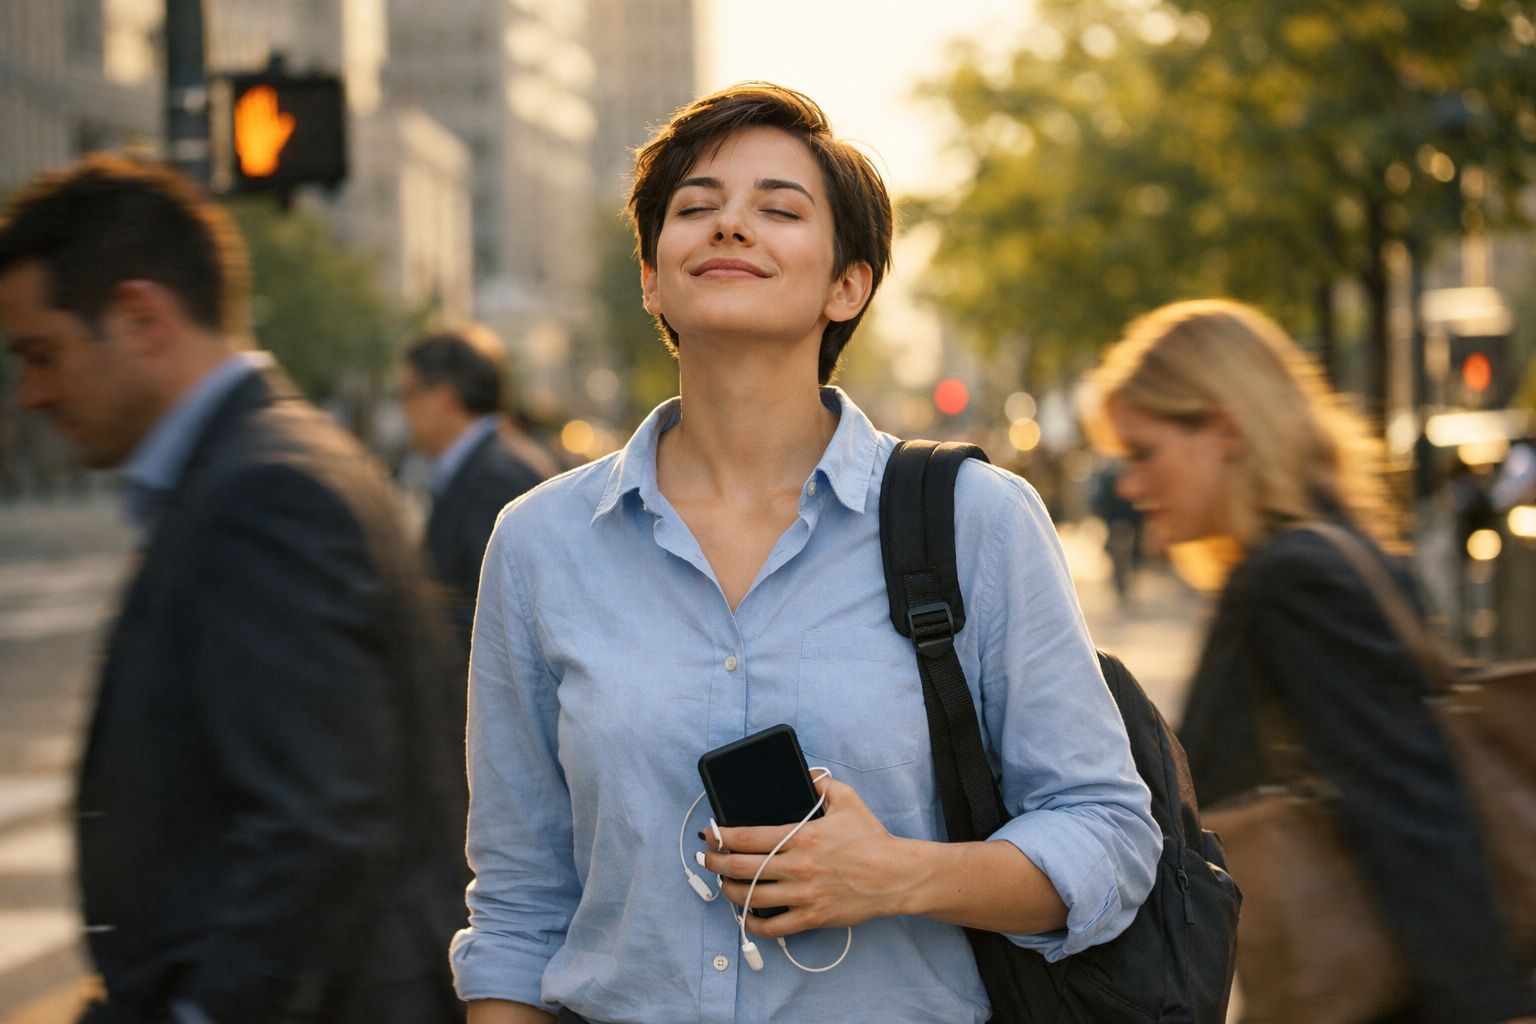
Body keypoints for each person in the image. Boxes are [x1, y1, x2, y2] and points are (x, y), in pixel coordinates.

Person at [451, 82, 1160, 1024]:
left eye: (778, 209)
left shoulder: (977, 521)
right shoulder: (539, 544)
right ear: (653, 279)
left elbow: (1108, 834)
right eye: (695, 209)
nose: (730, 226)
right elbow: (519, 904)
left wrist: (898, 876)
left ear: (848, 284)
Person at [0, 156, 467, 1024]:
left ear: (139, 317)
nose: (32, 393)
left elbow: (316, 829)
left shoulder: (263, 492)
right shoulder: (279, 459)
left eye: (43, 353)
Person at [1092, 298, 1536, 1024]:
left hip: (1388, 994)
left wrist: (1492, 1005)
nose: (1132, 485)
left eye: (1144, 452)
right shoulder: (1335, 550)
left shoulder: (1294, 578)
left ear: (1226, 429)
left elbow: (1410, 804)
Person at [400, 325, 550, 643]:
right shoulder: (496, 461)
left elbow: (486, 616)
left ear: (443, 397)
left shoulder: (493, 477)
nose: (404, 410)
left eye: (408, 394)